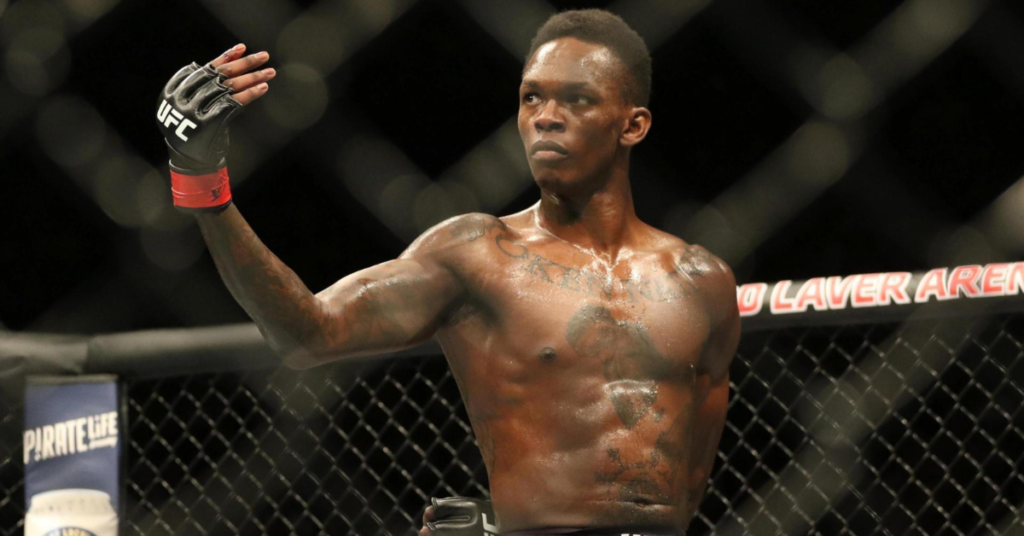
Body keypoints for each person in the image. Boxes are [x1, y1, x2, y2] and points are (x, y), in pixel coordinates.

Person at [155, 9, 739, 536]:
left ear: (632, 125)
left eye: (577, 100)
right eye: (531, 98)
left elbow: (689, 487)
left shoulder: (702, 281)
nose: (546, 118)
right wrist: (202, 182)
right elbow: (308, 333)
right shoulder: (476, 253)